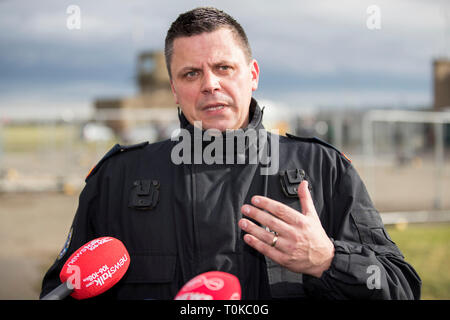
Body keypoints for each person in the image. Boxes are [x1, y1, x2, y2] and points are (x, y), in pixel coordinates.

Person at [40, 7, 421, 300]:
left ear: (252, 74)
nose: (210, 84)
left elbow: (401, 287)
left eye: (224, 67)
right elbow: (62, 288)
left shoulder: (322, 170)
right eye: (191, 74)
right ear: (174, 88)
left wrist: (327, 260)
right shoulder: (118, 179)